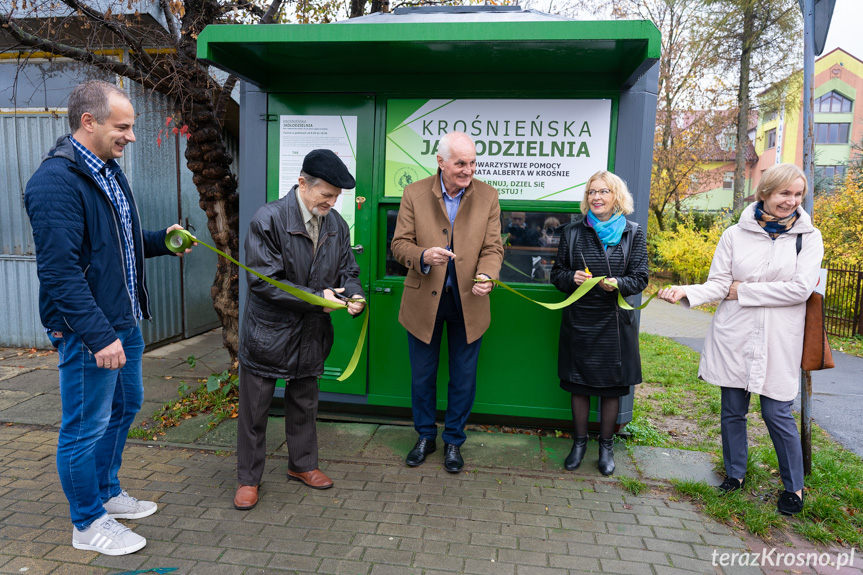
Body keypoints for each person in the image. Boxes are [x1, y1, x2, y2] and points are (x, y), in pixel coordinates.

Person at [24, 80, 193, 555]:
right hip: (88, 330)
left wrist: (162, 240)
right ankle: (87, 524)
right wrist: (100, 337)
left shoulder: (108, 171)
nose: (131, 136)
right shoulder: (55, 182)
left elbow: (114, 245)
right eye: (123, 126)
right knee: (84, 427)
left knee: (125, 407)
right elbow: (60, 273)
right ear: (88, 122)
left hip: (122, 318)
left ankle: (106, 492)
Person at [658, 163, 823, 516]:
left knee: (777, 412)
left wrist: (743, 290)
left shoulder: (808, 237)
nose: (791, 201)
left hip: (779, 339)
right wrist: (684, 291)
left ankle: (794, 487)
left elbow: (799, 290)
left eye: (797, 195)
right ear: (765, 193)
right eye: (784, 193)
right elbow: (719, 284)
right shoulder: (735, 234)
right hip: (735, 333)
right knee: (733, 410)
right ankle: (735, 476)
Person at [234, 149, 365, 510]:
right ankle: (248, 478)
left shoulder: (335, 222)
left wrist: (354, 295)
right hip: (269, 333)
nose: (332, 202)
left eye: (337, 196)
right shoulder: (268, 218)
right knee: (255, 410)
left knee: (305, 402)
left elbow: (347, 271)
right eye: (326, 194)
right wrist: (317, 298)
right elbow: (264, 281)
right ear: (303, 183)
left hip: (311, 332)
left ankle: (302, 465)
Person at [391, 131, 504, 473]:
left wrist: (487, 275)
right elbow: (399, 245)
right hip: (423, 301)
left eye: (472, 163)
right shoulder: (414, 193)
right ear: (440, 162)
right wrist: (424, 254)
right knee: (422, 376)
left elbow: (493, 248)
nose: (468, 170)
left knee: (464, 377)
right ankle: (425, 436)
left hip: (468, 302)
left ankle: (454, 440)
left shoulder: (488, 196)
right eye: (460, 163)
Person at [550, 171, 648, 476]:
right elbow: (557, 274)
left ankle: (606, 447)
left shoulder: (633, 232)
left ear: (616, 196)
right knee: (578, 386)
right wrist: (572, 277)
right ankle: (579, 444)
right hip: (580, 321)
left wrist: (617, 283)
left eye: (603, 192)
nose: (596, 197)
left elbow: (640, 278)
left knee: (611, 389)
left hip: (615, 325)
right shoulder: (572, 232)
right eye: (592, 192)